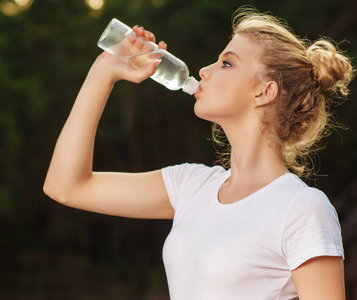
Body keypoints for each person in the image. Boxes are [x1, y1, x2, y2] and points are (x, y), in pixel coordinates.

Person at [44, 7, 354, 300]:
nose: (205, 71)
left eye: (226, 63)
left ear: (264, 91)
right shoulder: (189, 186)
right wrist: (104, 71)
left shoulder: (301, 208)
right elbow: (66, 186)